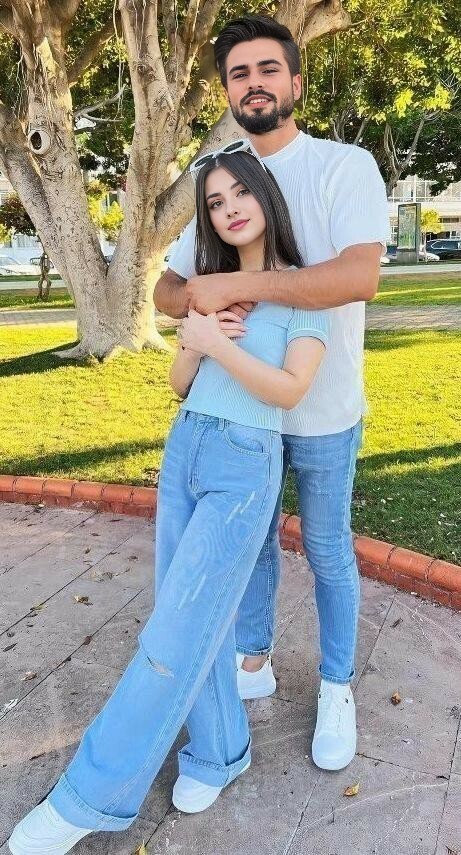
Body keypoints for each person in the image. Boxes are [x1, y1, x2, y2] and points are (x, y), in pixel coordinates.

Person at [9, 148, 329, 853]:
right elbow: (181, 383)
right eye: (215, 202)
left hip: (243, 465)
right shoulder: (209, 286)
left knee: (172, 635)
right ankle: (218, 750)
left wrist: (219, 342)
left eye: (239, 193)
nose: (229, 208)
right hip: (186, 448)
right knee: (191, 623)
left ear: (266, 197)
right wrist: (196, 342)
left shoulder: (302, 290)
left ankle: (87, 796)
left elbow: (289, 391)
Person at [154, 14, 390, 772]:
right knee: (252, 543)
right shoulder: (220, 174)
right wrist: (198, 304)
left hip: (323, 410)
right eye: (238, 74)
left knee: (326, 548)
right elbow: (168, 287)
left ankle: (336, 685)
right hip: (239, 415)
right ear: (227, 92)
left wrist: (235, 286)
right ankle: (252, 659)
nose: (253, 83)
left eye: (266, 69)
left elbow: (358, 277)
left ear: (295, 82)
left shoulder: (342, 166)